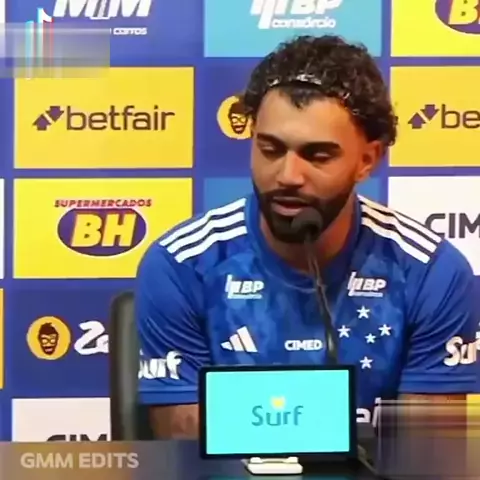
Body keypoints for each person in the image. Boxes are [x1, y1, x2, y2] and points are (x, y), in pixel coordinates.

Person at [135, 35, 478, 439]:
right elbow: (184, 448)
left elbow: (428, 454)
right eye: (270, 149)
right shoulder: (182, 264)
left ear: (367, 160)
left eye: (317, 156)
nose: (287, 176)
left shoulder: (430, 272)